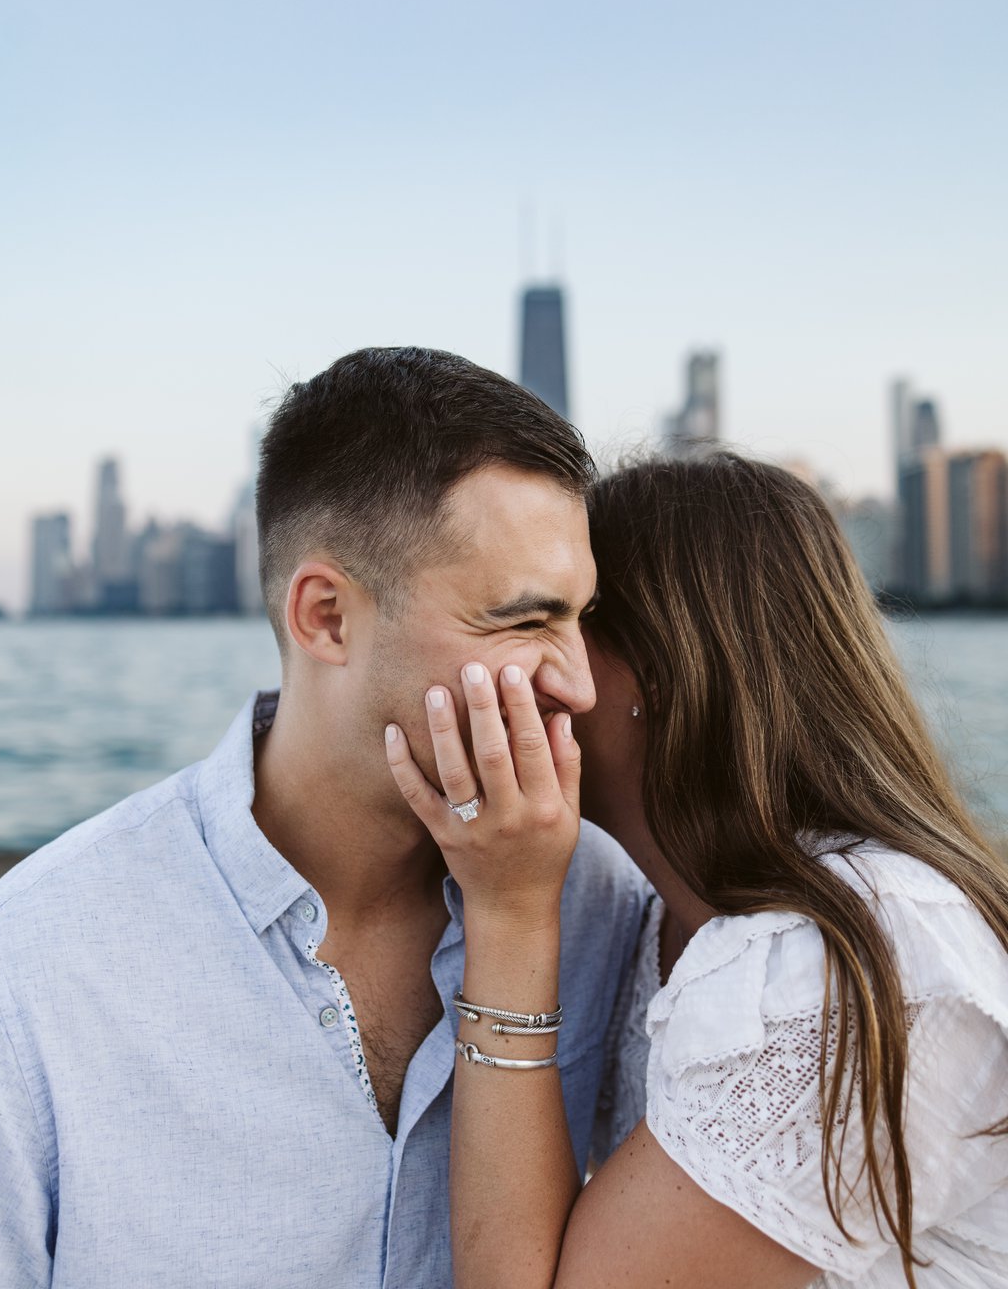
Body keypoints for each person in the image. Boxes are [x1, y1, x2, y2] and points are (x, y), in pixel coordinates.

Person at [0, 348, 650, 1289]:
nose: (576, 684)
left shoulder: (605, 905)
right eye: (522, 621)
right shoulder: (36, 960)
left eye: (581, 619)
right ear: (327, 618)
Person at [387, 451, 1008, 1289]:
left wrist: (510, 910)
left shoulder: (845, 964)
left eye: (567, 620)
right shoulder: (671, 915)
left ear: (668, 663)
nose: (540, 671)